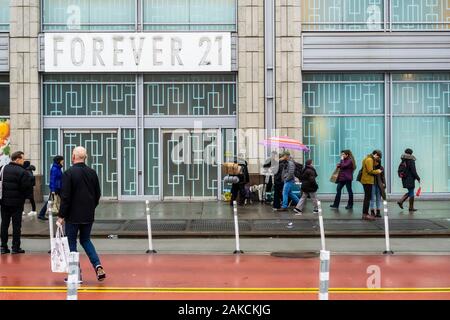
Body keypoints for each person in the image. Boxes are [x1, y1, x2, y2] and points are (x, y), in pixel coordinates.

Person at [57, 146, 105, 282]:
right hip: (88, 214)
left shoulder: (68, 173)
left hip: (72, 215)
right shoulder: (92, 172)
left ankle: (75, 273)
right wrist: (91, 207)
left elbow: (65, 197)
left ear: (73, 157)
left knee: (71, 242)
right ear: (86, 157)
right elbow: (97, 194)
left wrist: (61, 216)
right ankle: (97, 265)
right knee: (86, 240)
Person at [0, 151, 33, 254]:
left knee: (4, 224)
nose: (24, 160)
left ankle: (3, 247)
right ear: (17, 159)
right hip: (17, 203)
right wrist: (24, 197)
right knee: (16, 225)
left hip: (4, 202)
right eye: (23, 158)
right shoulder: (22, 171)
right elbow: (26, 188)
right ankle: (15, 247)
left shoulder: (3, 168)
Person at [38, 155, 64, 221]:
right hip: (56, 188)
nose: (63, 161)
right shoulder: (55, 169)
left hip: (58, 187)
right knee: (52, 201)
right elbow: (52, 179)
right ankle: (41, 214)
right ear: (59, 161)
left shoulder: (58, 168)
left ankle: (41, 214)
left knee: (53, 201)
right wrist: (53, 190)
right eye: (62, 160)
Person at [360, 150, 382, 221]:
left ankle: (365, 214)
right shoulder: (370, 159)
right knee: (367, 198)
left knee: (367, 198)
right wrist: (378, 171)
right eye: (378, 156)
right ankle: (365, 214)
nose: (377, 158)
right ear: (375, 154)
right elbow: (370, 171)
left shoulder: (367, 158)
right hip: (367, 181)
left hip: (366, 180)